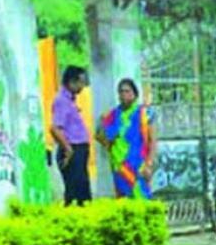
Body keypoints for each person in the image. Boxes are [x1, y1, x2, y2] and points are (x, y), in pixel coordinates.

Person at [96, 78, 158, 199]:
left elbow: (153, 141)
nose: (124, 94)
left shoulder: (146, 114)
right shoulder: (112, 116)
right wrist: (104, 129)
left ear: (135, 94)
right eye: (121, 92)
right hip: (119, 167)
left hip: (139, 166)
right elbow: (101, 138)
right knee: (124, 204)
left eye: (127, 91)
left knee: (142, 201)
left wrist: (149, 164)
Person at [51, 66, 92, 206]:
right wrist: (68, 149)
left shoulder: (70, 101)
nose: (83, 86)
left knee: (82, 191)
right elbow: (55, 128)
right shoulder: (61, 100)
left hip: (78, 149)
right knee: (75, 193)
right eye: (81, 82)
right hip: (72, 149)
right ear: (71, 82)